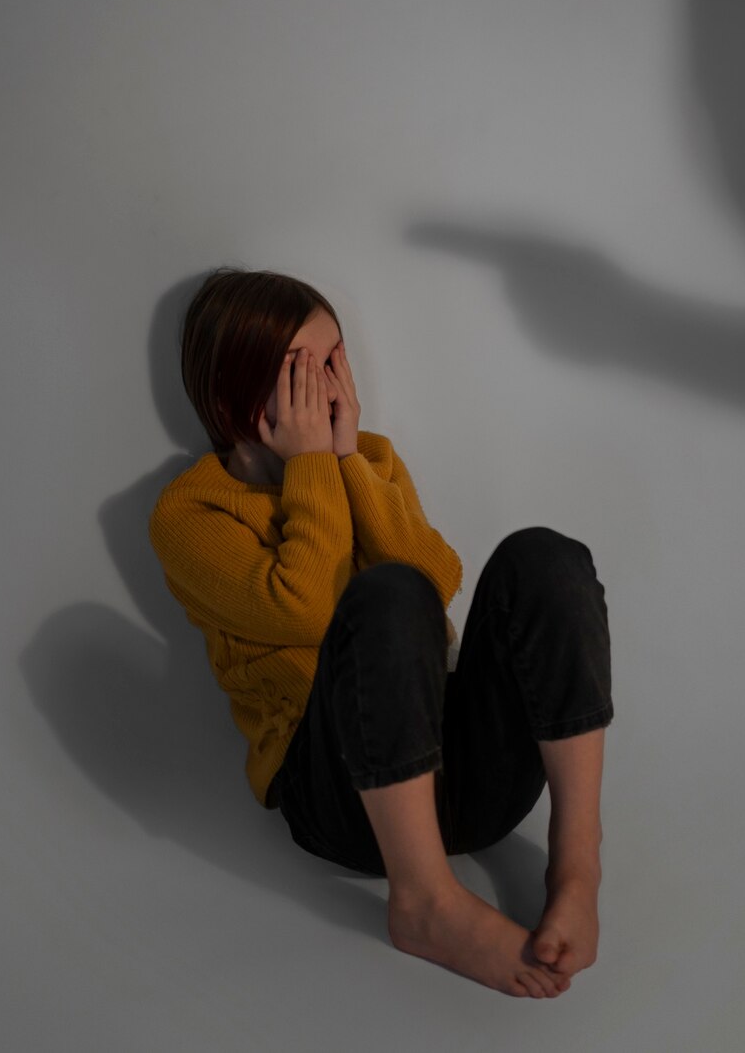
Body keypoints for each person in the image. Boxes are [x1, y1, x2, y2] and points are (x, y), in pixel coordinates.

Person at [150, 266, 613, 998]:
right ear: (232, 396)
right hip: (341, 799)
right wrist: (310, 467)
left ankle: (578, 861)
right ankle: (425, 902)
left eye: (335, 361)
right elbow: (308, 607)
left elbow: (439, 577)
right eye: (301, 372)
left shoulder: (370, 458)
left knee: (544, 558)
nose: (329, 388)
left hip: (467, 778)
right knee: (384, 595)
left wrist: (344, 464)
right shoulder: (191, 513)